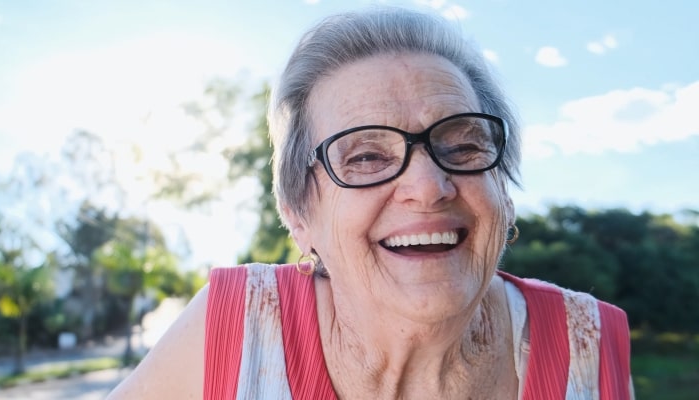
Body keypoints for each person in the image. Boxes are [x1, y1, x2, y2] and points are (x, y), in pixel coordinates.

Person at [107, 6, 633, 399]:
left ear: (505, 193)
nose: (429, 186)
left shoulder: (589, 344)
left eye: (465, 144)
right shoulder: (234, 331)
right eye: (364, 157)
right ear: (299, 214)